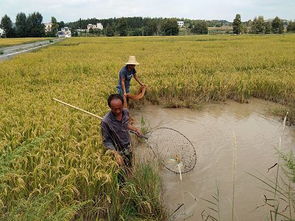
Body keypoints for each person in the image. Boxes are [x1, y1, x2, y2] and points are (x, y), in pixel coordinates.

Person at [101, 94, 142, 168]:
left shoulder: (125, 112)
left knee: (129, 166)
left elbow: (125, 125)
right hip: (116, 150)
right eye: (114, 109)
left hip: (127, 146)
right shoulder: (106, 121)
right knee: (120, 172)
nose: (117, 111)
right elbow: (106, 141)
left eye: (120, 108)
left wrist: (135, 129)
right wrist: (116, 154)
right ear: (110, 107)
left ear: (123, 105)